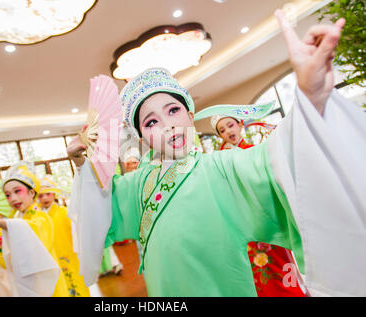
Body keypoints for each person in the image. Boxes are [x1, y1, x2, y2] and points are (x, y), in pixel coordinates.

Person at [68, 11, 365, 296]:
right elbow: (101, 206)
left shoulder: (223, 167)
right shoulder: (137, 184)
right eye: (151, 121)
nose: (168, 124)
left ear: (189, 113)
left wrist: (311, 98)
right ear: (143, 136)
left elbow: (280, 160)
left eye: (173, 110)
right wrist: (83, 161)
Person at [212, 114, 307, 297]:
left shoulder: (256, 151)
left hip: (266, 215)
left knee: (278, 261)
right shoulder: (222, 160)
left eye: (230, 125)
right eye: (222, 130)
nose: (228, 131)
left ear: (240, 124)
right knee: (256, 270)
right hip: (243, 221)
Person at [0, 161, 69, 296]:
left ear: (32, 192)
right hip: (25, 282)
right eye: (8, 195)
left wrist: (2, 224)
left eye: (17, 191)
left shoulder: (41, 217)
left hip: (46, 282)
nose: (13, 198)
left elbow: (32, 229)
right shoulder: (15, 218)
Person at [37, 176, 90, 297]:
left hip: (69, 256)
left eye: (48, 194)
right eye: (40, 195)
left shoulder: (65, 212)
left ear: (54, 194)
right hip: (50, 259)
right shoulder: (39, 218)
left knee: (76, 286)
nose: (44, 198)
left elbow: (79, 234)